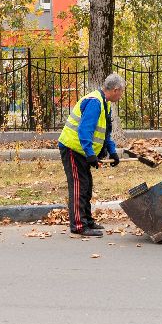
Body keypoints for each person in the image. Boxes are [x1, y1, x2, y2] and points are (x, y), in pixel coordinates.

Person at [58, 73, 124, 238]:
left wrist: (113, 151)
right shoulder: (95, 103)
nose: (121, 96)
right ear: (115, 90)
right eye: (121, 92)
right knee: (79, 186)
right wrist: (90, 154)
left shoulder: (104, 103)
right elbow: (84, 130)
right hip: (73, 148)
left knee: (87, 185)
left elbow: (105, 133)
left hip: (82, 150)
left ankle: (87, 220)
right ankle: (79, 226)